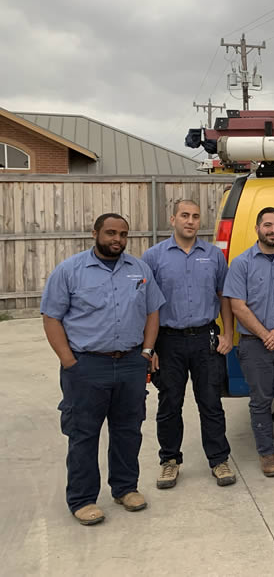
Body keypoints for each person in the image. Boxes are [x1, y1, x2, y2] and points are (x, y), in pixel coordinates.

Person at [41, 213, 165, 525]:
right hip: (87, 365)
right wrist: (69, 361)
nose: (117, 240)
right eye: (111, 233)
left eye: (123, 234)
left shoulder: (139, 269)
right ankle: (82, 499)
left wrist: (147, 351)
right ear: (95, 232)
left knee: (128, 430)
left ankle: (125, 488)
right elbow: (51, 316)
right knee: (83, 434)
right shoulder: (70, 270)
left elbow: (153, 311)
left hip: (130, 364)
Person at [143, 199, 236, 489]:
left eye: (195, 216)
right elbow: (146, 304)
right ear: (173, 219)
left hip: (205, 339)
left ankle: (219, 460)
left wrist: (228, 334)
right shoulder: (154, 257)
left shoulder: (213, 256)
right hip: (168, 341)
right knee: (170, 404)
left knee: (211, 403)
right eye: (185, 215)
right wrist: (150, 347)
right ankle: (169, 461)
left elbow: (224, 296)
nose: (190, 221)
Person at [223, 207, 274, 477]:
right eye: (267, 225)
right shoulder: (242, 263)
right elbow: (238, 305)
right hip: (253, 343)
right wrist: (265, 334)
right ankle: (267, 454)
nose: (273, 230)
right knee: (260, 401)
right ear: (257, 228)